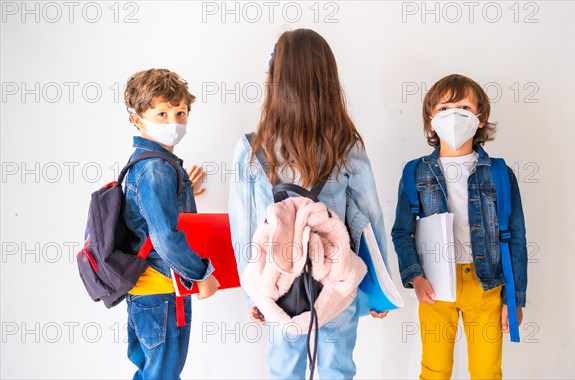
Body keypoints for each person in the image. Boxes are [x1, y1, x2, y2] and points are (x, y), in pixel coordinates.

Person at [228, 29, 388, 379]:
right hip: (335, 283)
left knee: (284, 372)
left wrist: (253, 295)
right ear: (327, 78)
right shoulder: (346, 145)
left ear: (276, 79)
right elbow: (370, 218)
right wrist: (379, 289)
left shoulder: (253, 149)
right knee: (336, 371)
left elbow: (243, 228)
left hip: (279, 285)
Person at [391, 74, 528, 379]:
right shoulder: (415, 172)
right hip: (435, 287)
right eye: (444, 108)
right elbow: (402, 231)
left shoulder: (500, 174)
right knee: (434, 370)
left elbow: (515, 238)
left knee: (487, 371)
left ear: (481, 118)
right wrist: (415, 277)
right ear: (430, 121)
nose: (454, 115)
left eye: (465, 107)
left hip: (487, 286)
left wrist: (514, 299)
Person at [122, 68, 219, 379]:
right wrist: (201, 273)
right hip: (161, 293)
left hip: (151, 295)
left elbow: (152, 215)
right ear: (136, 119)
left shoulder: (154, 166)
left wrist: (183, 189)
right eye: (161, 114)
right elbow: (165, 237)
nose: (174, 123)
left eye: (180, 113)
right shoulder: (155, 170)